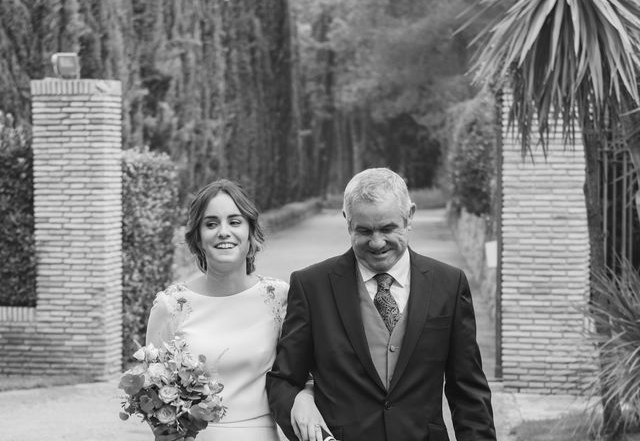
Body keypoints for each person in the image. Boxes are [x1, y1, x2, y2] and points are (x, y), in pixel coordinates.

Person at [266, 168, 496, 441]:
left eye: (388, 229)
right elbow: (284, 381)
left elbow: (467, 391)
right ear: (347, 222)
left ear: (410, 216)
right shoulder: (311, 286)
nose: (377, 243)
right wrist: (303, 415)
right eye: (364, 231)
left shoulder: (449, 283)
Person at [146, 179, 323, 441]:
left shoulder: (278, 298)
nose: (223, 231)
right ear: (198, 237)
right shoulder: (171, 305)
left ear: (251, 232)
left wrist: (307, 394)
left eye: (235, 221)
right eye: (211, 223)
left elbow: (308, 370)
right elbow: (151, 394)